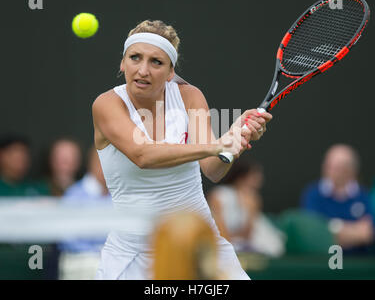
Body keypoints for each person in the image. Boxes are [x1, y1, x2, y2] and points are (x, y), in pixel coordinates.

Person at [92, 19, 272, 280]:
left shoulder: (189, 96)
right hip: (133, 254)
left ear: (170, 72)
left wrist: (236, 141)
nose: (143, 70)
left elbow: (213, 169)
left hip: (199, 245)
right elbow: (143, 155)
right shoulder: (107, 104)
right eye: (135, 58)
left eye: (156, 62)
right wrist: (216, 144)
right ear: (122, 63)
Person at [301, 144, 374, 253]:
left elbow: (367, 234)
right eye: (328, 165)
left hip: (357, 263)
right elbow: (314, 234)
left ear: (351, 170)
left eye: (337, 167)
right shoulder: (313, 195)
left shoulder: (363, 196)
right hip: (323, 263)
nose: (329, 170)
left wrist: (333, 228)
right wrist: (354, 231)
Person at [207, 159, 285, 257]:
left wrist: (250, 209)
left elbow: (248, 234)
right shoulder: (218, 196)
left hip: (243, 244)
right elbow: (220, 232)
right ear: (241, 177)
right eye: (254, 175)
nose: (259, 179)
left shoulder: (254, 198)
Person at [58, 146, 111, 280]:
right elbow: (67, 238)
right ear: (93, 163)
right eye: (105, 162)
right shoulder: (74, 195)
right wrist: (97, 252)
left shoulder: (120, 195)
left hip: (113, 256)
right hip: (81, 258)